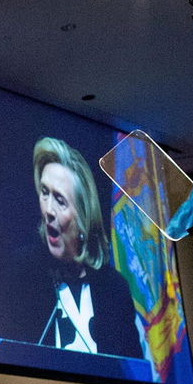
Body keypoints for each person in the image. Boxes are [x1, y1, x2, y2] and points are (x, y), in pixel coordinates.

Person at [23, 137, 141, 358]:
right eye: (44, 192)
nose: (48, 210)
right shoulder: (23, 278)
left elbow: (134, 371)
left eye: (60, 199)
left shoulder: (115, 290)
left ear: (84, 217)